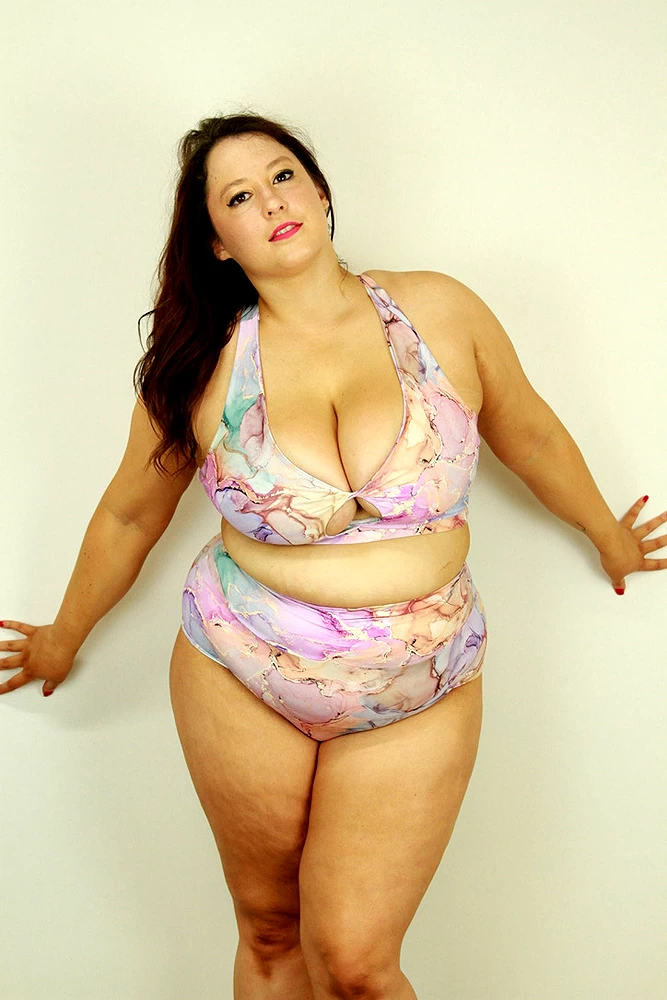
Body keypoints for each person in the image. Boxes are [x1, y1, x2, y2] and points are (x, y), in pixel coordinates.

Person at [1, 111, 665, 1000]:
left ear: (318, 191)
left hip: (418, 684)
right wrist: (63, 635)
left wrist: (608, 536)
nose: (271, 201)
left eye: (283, 176)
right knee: (270, 931)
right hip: (242, 668)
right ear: (218, 242)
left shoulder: (440, 310)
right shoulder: (201, 364)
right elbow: (129, 514)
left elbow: (531, 434)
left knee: (356, 965)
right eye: (239, 196)